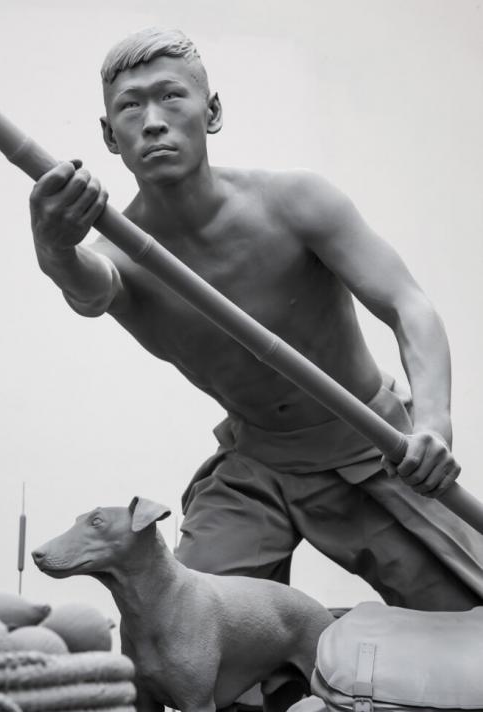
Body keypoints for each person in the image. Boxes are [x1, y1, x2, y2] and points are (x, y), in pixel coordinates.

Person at [29, 26, 483, 612]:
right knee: (182, 624)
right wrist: (55, 250)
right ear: (109, 135)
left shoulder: (296, 203)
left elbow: (408, 305)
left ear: (211, 111)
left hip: (371, 445)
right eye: (130, 105)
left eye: (172, 96)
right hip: (255, 467)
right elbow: (90, 292)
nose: (153, 120)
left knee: (466, 618)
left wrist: (435, 423)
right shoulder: (120, 259)